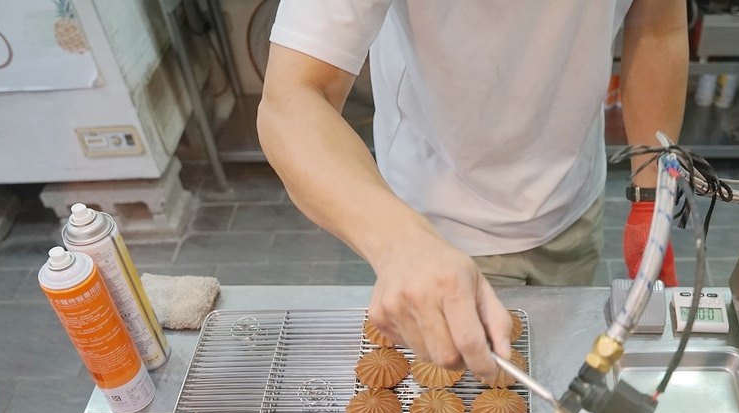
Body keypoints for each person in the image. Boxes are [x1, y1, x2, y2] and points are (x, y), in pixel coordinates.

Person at [258, 1, 688, 381]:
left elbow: (656, 25)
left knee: (556, 367)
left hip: (572, 201)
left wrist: (651, 197)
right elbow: (292, 101)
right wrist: (400, 244)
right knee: (456, 408)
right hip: (439, 227)